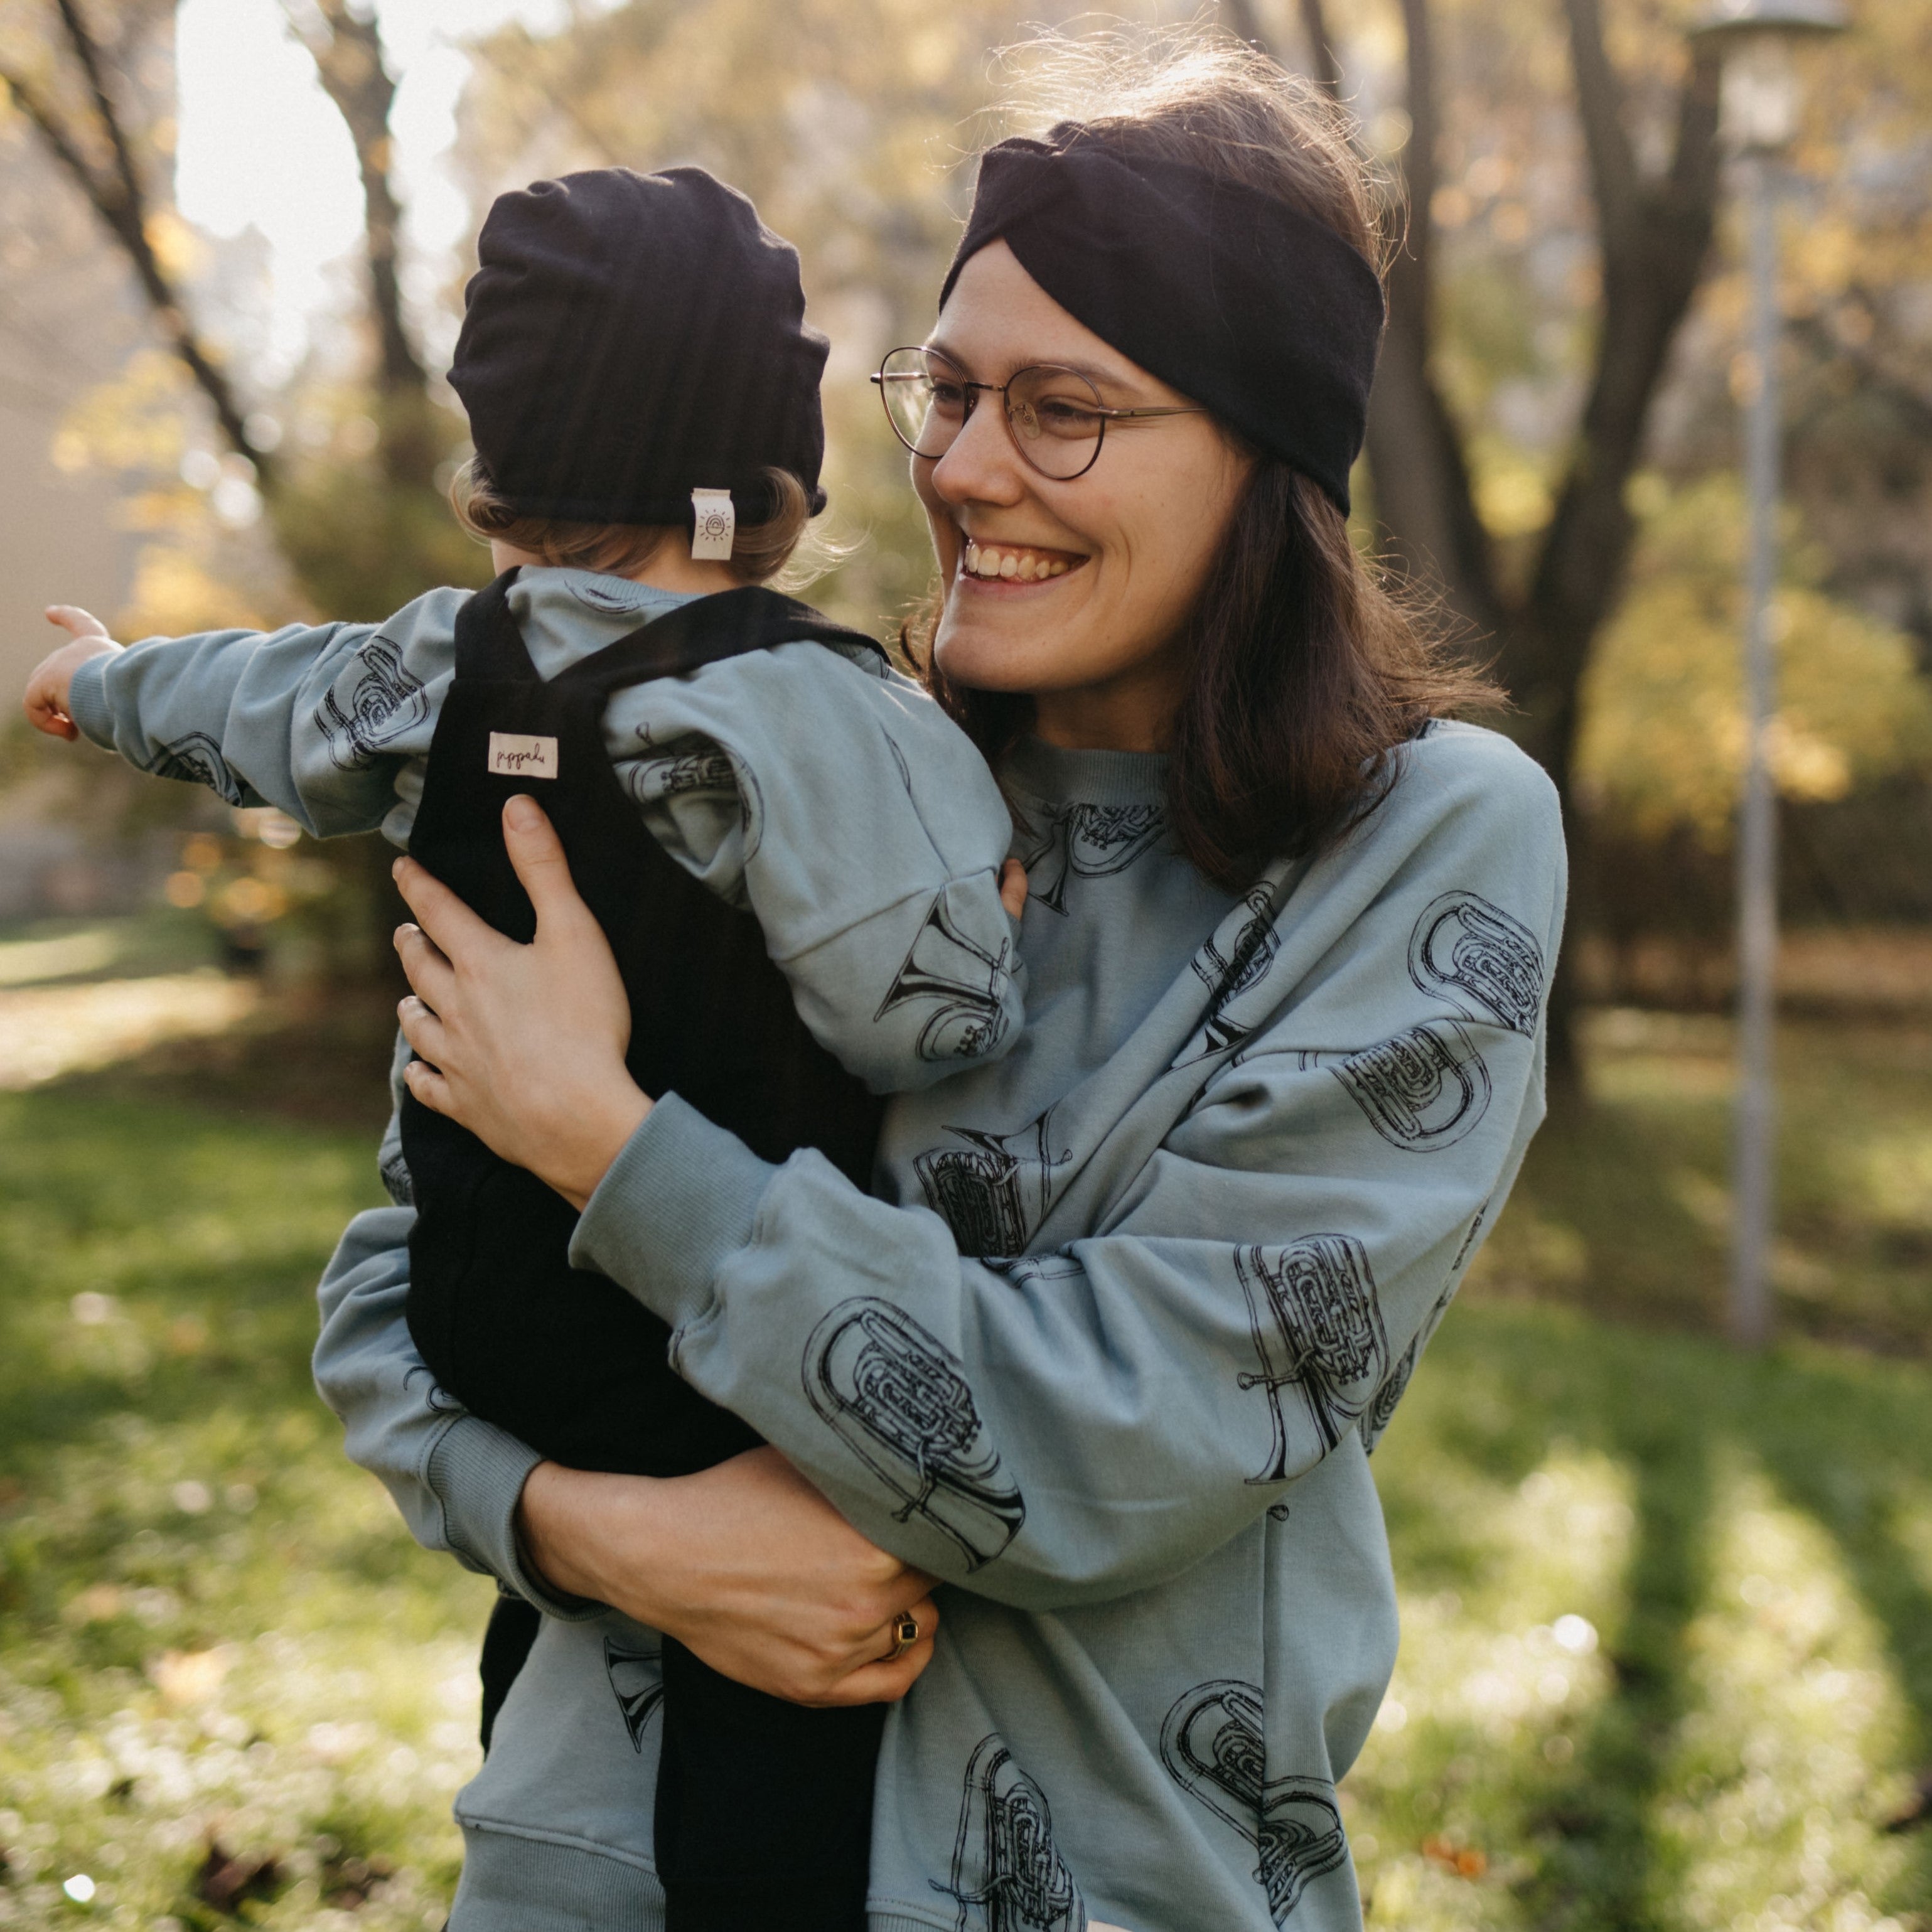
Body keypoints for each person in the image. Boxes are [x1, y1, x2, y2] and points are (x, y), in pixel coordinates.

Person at [317, 35, 1565, 1932]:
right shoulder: (767, 753)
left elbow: (1112, 1437)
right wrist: (610, 1536)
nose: (965, 468)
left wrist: (612, 1148)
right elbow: (399, 1283)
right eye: (952, 390)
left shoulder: (1418, 842)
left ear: (1265, 455)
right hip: (595, 1878)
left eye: (1064, 408)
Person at [21, 166, 1027, 1932]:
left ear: (504, 475)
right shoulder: (812, 703)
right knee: (772, 1777)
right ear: (767, 485)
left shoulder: (429, 667)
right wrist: (991, 931)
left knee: (557, 1685)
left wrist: (101, 682)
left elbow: (249, 699)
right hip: (724, 1352)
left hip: (492, 1323)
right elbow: (920, 1011)